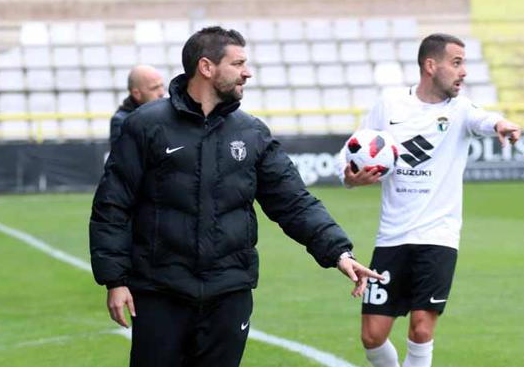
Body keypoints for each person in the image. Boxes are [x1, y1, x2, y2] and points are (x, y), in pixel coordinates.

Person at [90, 26, 383, 367]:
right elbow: (112, 204)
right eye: (238, 63)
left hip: (229, 292)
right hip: (160, 291)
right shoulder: (146, 125)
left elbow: (293, 201)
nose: (248, 71)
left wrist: (338, 251)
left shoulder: (251, 133)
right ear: (206, 67)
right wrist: (115, 280)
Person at [338, 33, 522, 367]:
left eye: (464, 62)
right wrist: (350, 178)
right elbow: (352, 150)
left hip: (438, 237)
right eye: (456, 62)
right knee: (372, 337)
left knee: (421, 328)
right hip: (392, 237)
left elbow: (486, 118)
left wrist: (502, 123)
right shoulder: (390, 106)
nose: (463, 71)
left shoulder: (461, 110)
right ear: (430, 65)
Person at [109, 64, 165, 144]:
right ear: (136, 94)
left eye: (162, 86)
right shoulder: (122, 121)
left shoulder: (167, 113)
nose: (161, 93)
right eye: (154, 88)